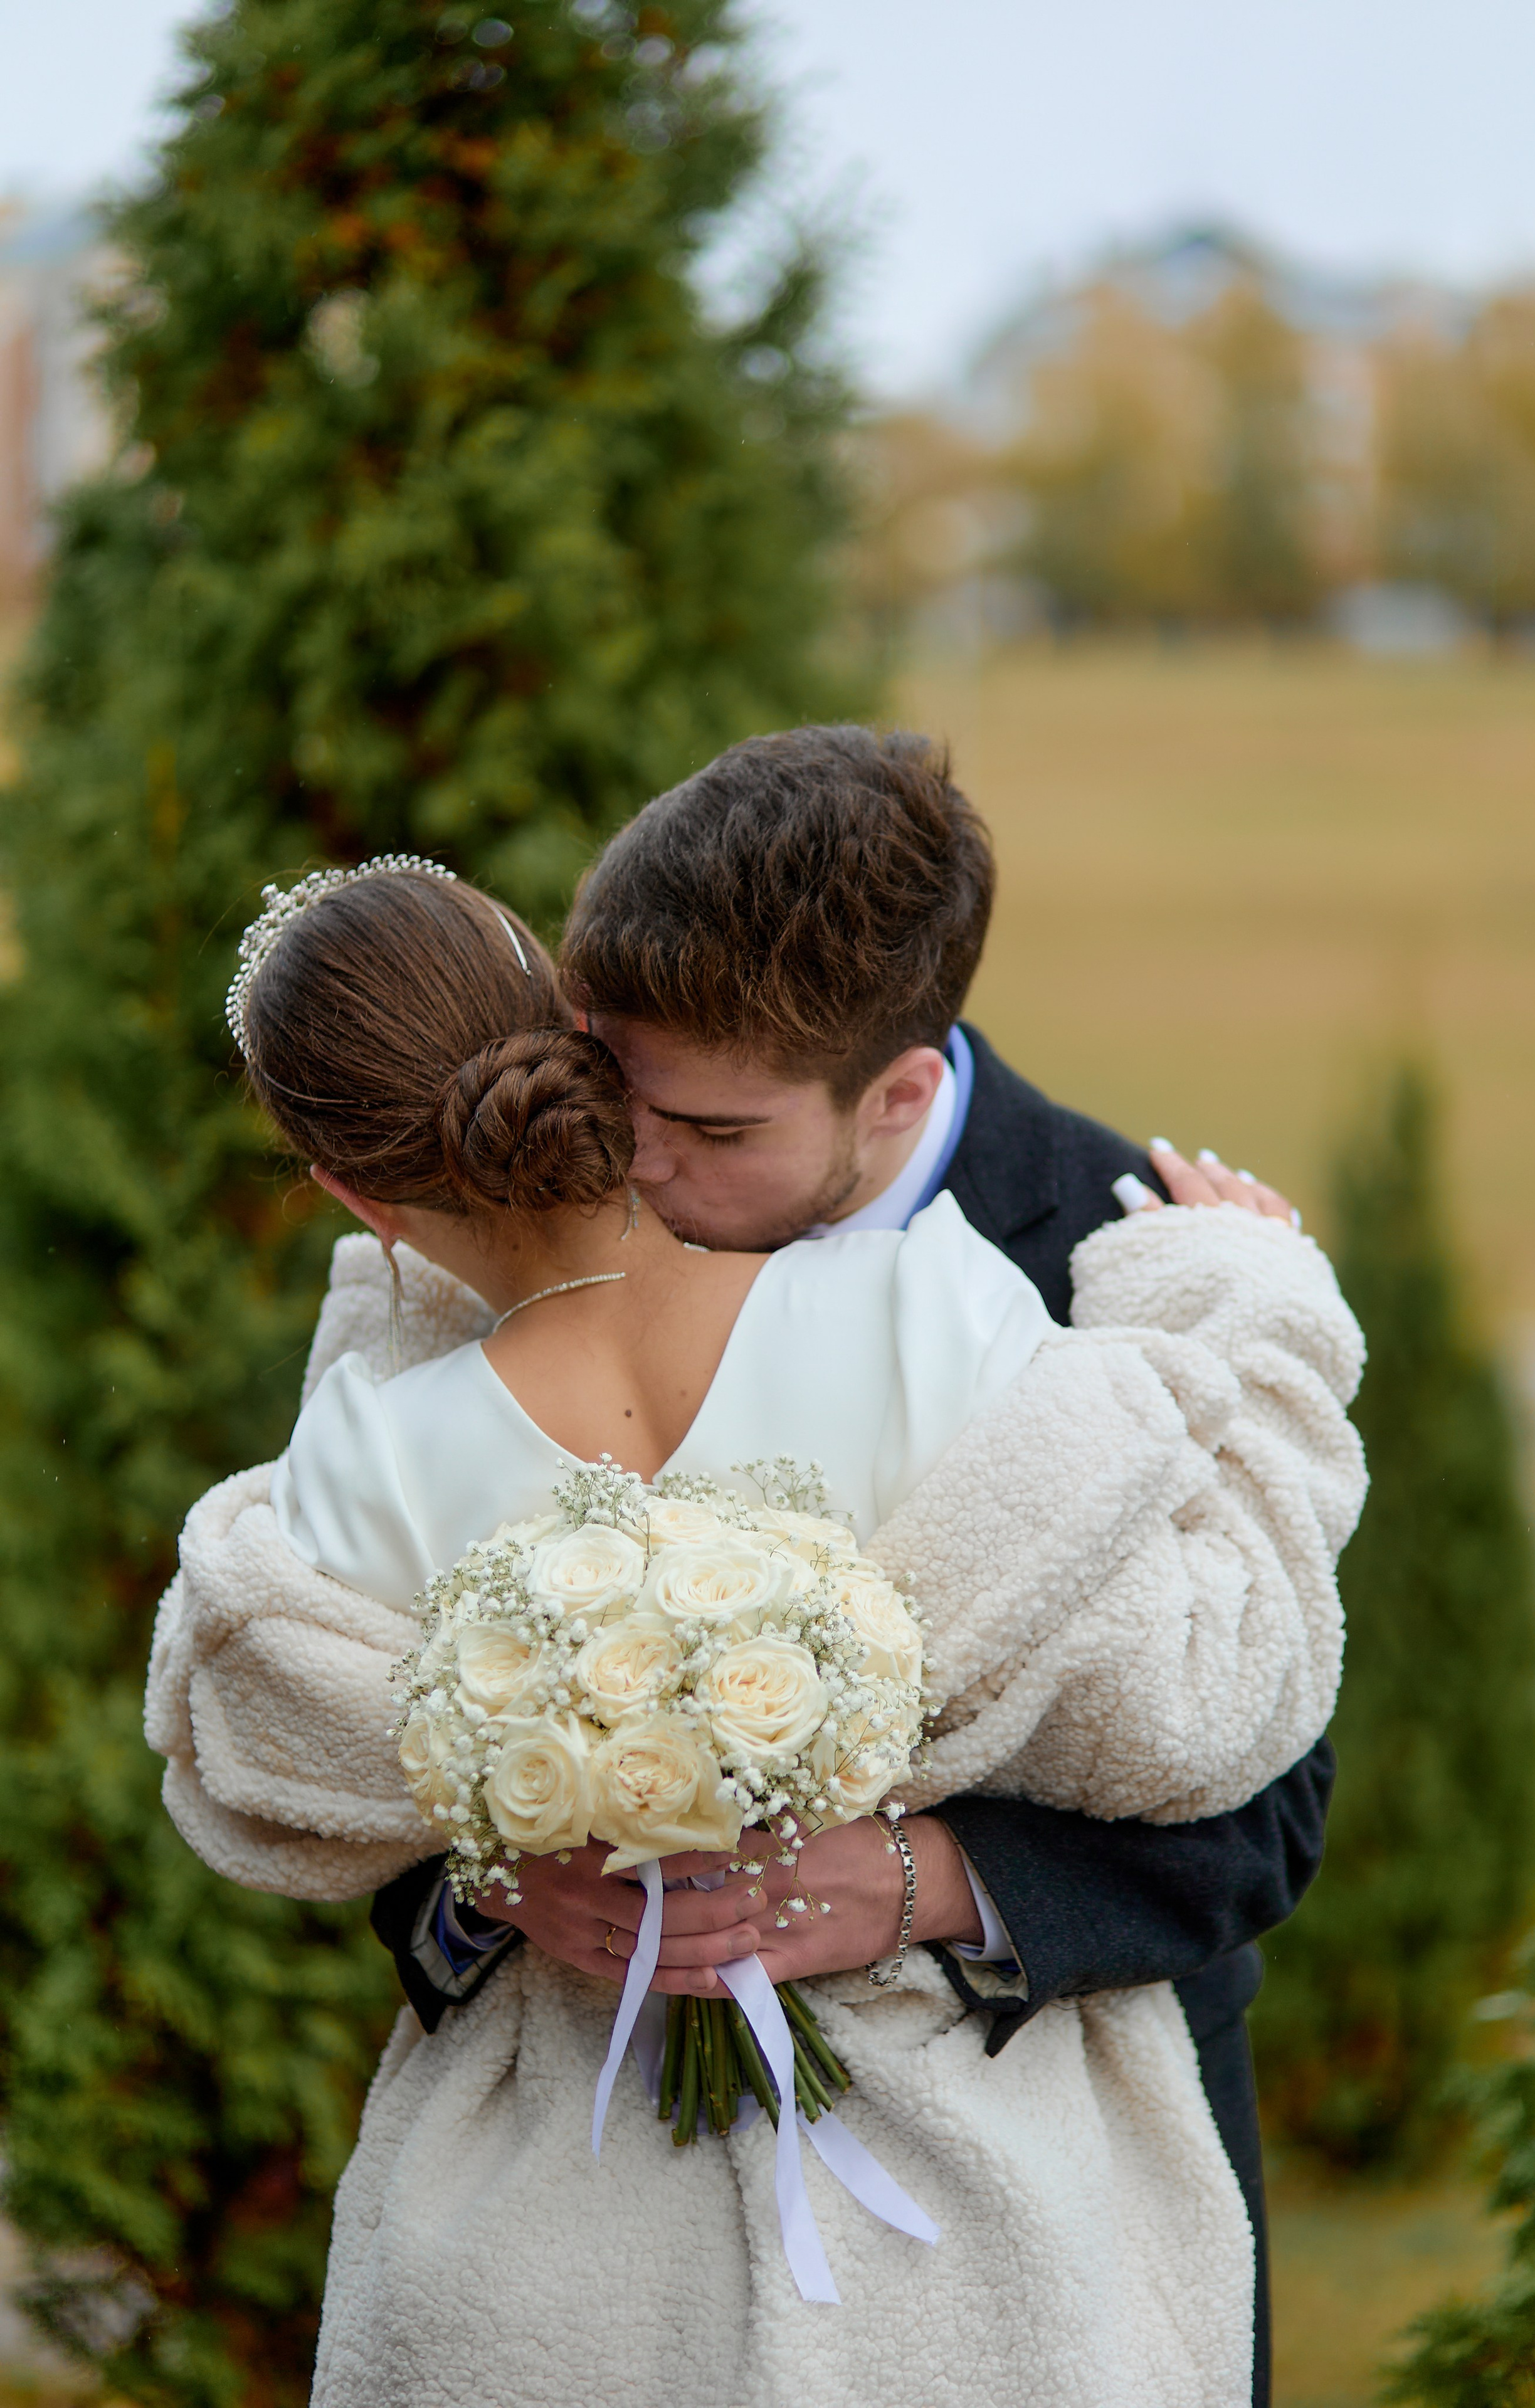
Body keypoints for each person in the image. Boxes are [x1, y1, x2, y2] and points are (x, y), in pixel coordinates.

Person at [145, 836, 1365, 2407]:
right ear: (584, 1045)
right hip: (963, 2242)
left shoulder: (361, 1463)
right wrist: (1238, 1300)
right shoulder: (921, 1308)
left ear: (349, 1194)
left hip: (554, 2254)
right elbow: (1210, 1689)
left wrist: (518, 1842)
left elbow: (268, 1753)